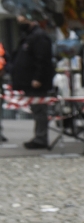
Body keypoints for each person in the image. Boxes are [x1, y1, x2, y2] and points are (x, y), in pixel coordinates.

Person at [11, 15, 54, 149]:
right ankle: (39, 137)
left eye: (22, 18)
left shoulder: (38, 37)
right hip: (28, 81)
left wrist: (38, 78)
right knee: (36, 110)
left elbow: (42, 59)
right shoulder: (29, 36)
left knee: (40, 110)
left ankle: (41, 138)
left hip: (36, 82)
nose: (19, 20)